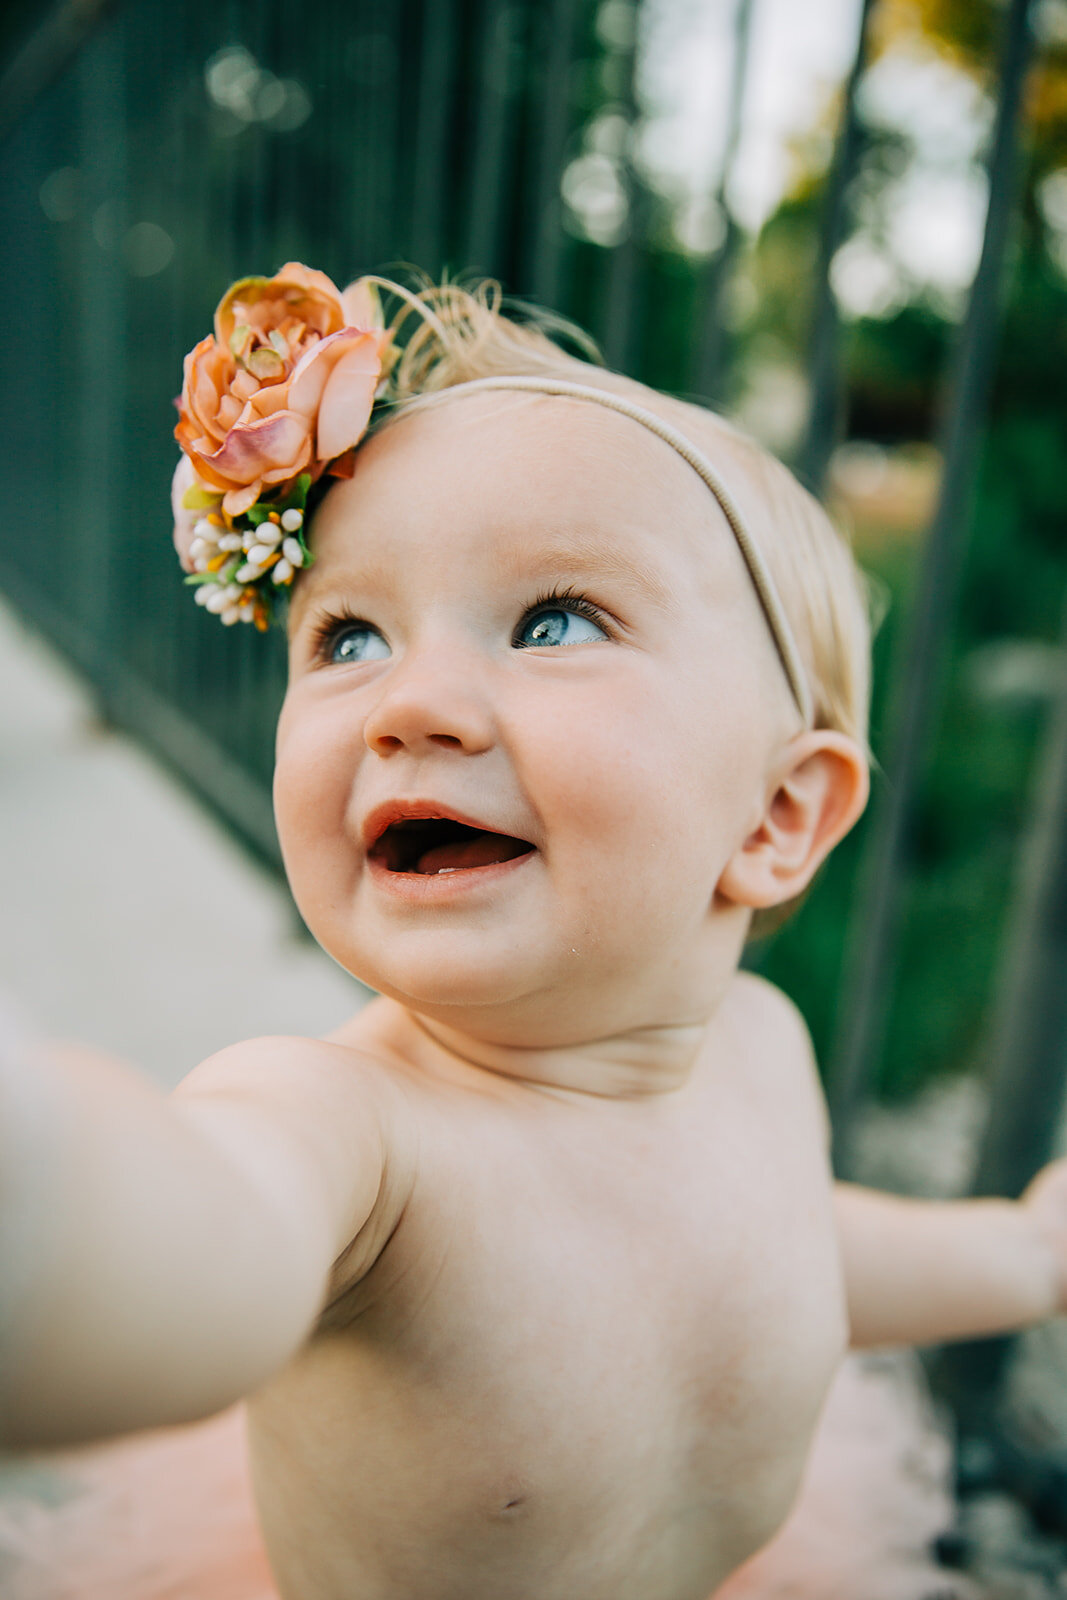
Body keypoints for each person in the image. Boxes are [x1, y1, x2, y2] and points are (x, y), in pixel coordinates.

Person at [2, 261, 1066, 1600]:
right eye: (346, 638)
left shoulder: (759, 1038)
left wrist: (1024, 1254)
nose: (409, 704)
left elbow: (783, 1247)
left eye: (552, 622)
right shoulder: (354, 1137)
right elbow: (201, 1233)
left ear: (778, 817)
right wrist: (39, 1200)